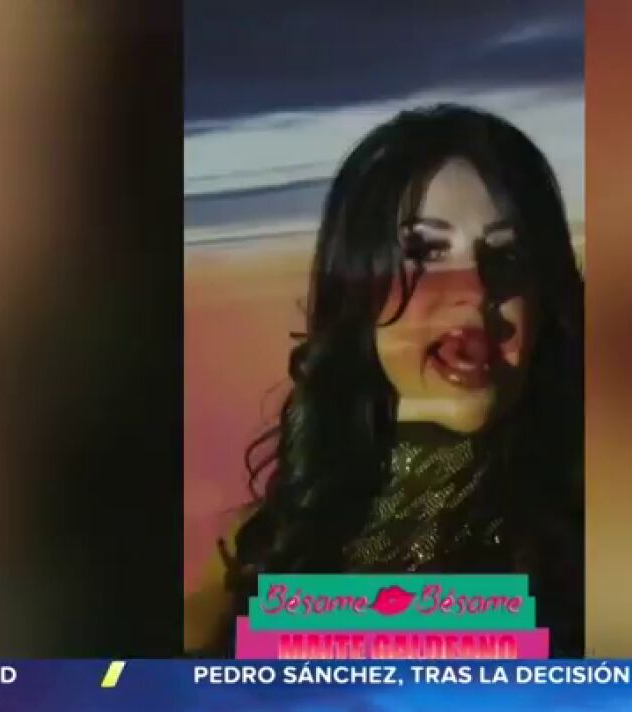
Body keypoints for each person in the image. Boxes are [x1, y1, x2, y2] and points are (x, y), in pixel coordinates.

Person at [184, 104, 585, 657]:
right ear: (355, 286)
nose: (475, 293)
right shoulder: (266, 542)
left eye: (508, 255)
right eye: (424, 252)